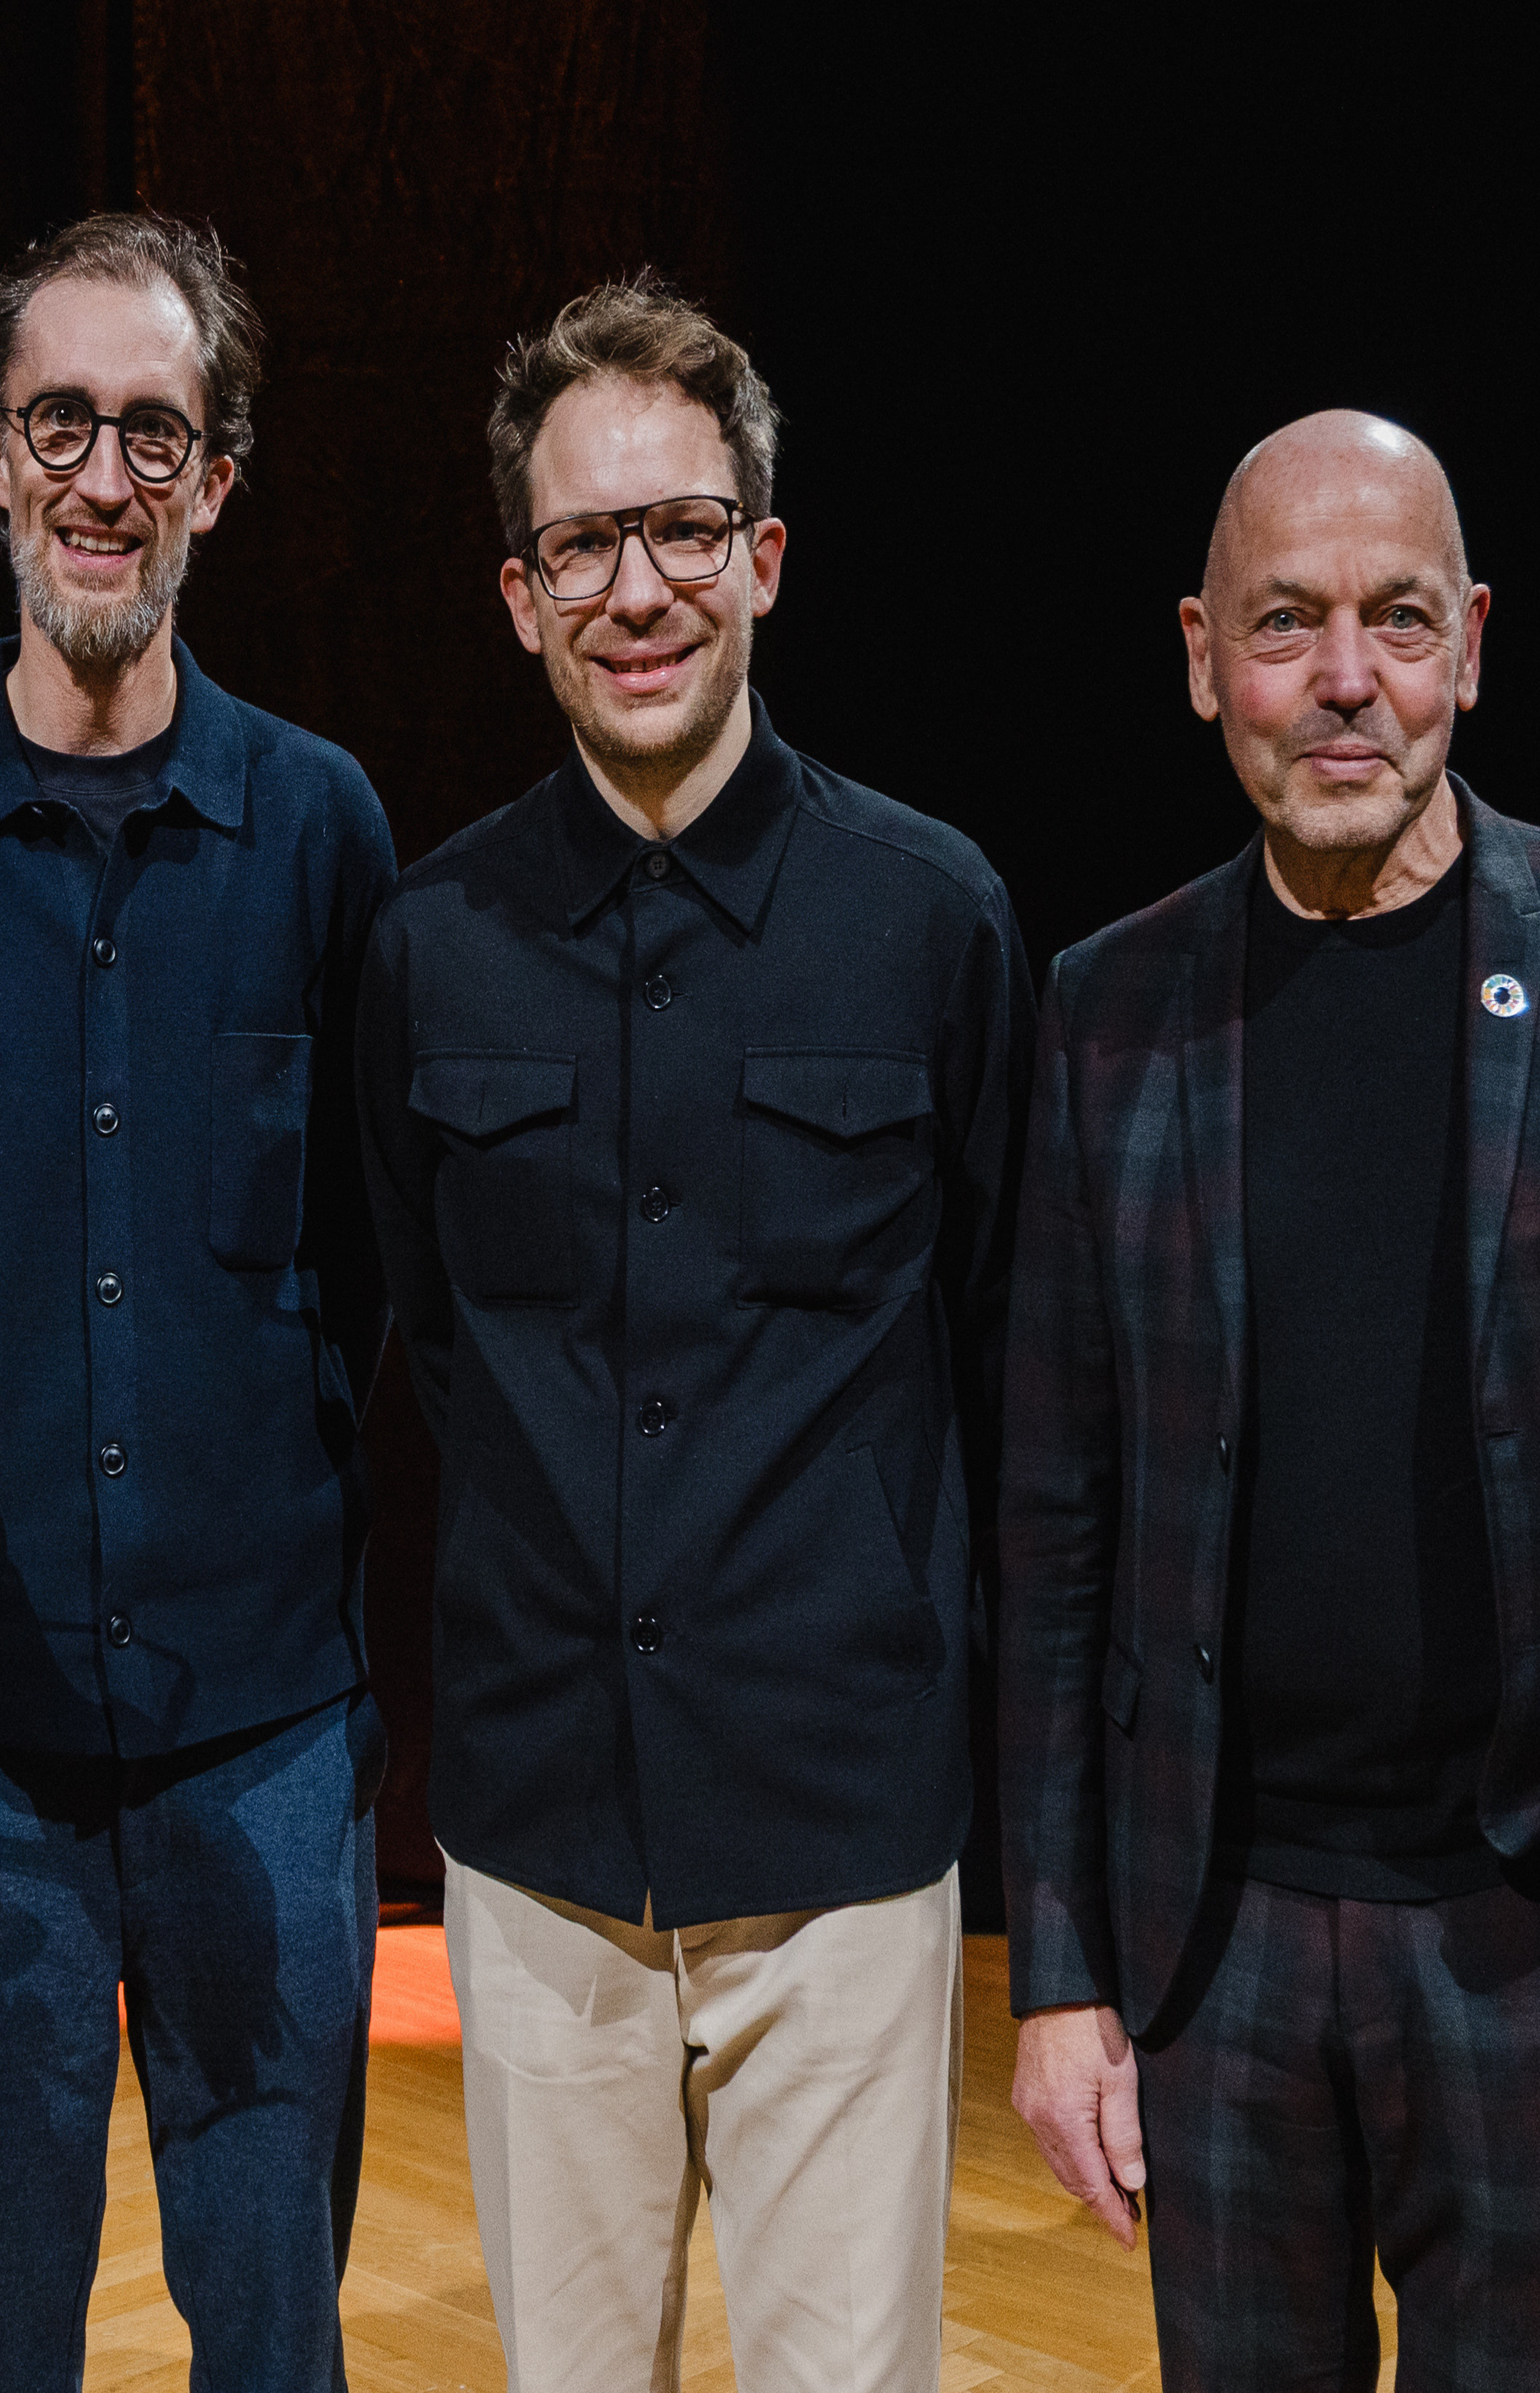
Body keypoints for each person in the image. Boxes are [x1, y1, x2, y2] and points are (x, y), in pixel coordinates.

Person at [999, 411, 1540, 2388]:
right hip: (1211, 1957)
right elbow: (1051, 1527)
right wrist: (1060, 1973)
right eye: (1282, 623)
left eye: (1393, 621)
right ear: (1198, 652)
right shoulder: (1104, 1012)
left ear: (1469, 643)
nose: (1339, 681)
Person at [356, 275, 1027, 2389]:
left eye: (678, 532)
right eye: (580, 546)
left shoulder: (929, 917)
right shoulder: (426, 941)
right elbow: (428, 1338)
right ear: (517, 593)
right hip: (542, 1834)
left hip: (838, 1836)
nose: (632, 590)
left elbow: (1002, 1347)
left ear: (761, 557)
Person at [0, 213, 398, 2390]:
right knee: (3, 2345)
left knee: (275, 2340)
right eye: (57, 421)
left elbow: (375, 1271)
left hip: (261, 1736)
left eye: (152, 432)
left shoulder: (322, 829)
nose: (101, 475)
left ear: (218, 479)